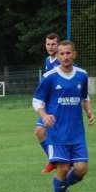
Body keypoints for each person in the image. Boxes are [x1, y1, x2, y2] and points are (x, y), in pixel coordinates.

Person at [32, 40, 95, 192]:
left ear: (74, 54)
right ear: (57, 56)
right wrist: (44, 115)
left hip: (77, 132)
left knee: (81, 169)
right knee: (64, 167)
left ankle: (61, 186)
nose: (65, 57)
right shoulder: (49, 77)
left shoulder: (82, 74)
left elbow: (85, 97)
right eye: (62, 54)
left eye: (68, 53)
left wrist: (89, 111)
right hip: (57, 132)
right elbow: (37, 100)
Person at [35, 33, 61, 175]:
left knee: (57, 134)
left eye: (53, 44)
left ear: (58, 45)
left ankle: (63, 162)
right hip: (48, 104)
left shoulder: (63, 60)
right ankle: (53, 161)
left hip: (59, 105)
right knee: (40, 132)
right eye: (48, 44)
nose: (50, 47)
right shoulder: (48, 60)